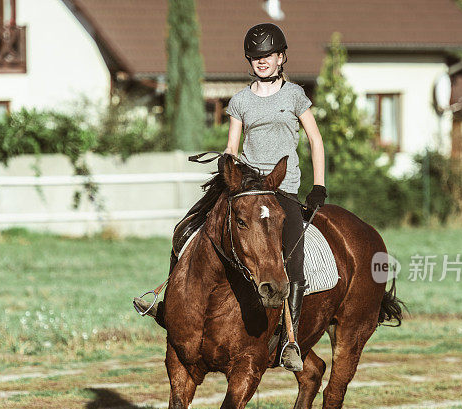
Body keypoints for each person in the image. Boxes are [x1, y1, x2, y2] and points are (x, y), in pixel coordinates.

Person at [135, 23, 327, 373]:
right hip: (246, 186)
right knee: (186, 227)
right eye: (256, 58)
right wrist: (227, 162)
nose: (262, 62)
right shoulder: (239, 101)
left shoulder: (295, 95)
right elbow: (231, 146)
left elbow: (315, 140)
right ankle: (167, 306)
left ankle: (289, 340)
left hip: (281, 189)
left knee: (293, 258)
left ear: (282, 57)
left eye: (268, 56)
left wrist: (319, 186)